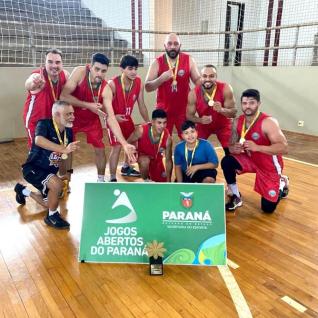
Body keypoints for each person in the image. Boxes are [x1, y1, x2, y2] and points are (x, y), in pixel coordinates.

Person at [60, 53, 136, 182]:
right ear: (90, 67)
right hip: (71, 118)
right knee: (67, 150)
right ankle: (66, 179)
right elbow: (63, 96)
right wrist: (88, 105)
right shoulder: (80, 72)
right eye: (97, 69)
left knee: (100, 149)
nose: (99, 73)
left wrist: (124, 143)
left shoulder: (106, 88)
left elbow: (111, 118)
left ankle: (100, 180)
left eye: (103, 71)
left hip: (91, 120)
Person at [221, 89, 289, 213]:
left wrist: (258, 147)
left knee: (267, 209)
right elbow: (231, 144)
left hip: (269, 165)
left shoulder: (268, 122)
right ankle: (235, 195)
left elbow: (284, 148)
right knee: (227, 161)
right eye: (245, 103)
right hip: (250, 159)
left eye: (251, 103)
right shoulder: (237, 121)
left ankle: (282, 183)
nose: (248, 106)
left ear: (258, 104)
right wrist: (233, 148)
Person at [14, 101, 80, 229]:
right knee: (56, 184)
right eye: (68, 114)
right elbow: (39, 140)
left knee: (48, 203)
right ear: (56, 114)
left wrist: (67, 173)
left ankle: (22, 190)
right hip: (33, 169)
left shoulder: (68, 131)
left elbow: (68, 154)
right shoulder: (44, 124)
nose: (73, 117)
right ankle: (52, 217)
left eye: (73, 113)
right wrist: (63, 149)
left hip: (49, 172)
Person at [145, 33, 200, 138]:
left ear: (180, 45)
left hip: (184, 110)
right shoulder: (157, 62)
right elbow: (147, 87)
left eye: (176, 44)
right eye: (169, 44)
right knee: (162, 141)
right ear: (165, 45)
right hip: (164, 111)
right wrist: (161, 79)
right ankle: (165, 155)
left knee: (188, 139)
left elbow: (197, 80)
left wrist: (207, 82)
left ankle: (187, 155)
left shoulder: (189, 60)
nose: (173, 47)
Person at [107, 55, 150, 182]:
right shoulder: (112, 84)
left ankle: (126, 167)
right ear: (122, 69)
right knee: (117, 147)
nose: (134, 72)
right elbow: (104, 106)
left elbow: (141, 104)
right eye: (130, 68)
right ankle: (113, 178)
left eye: (135, 68)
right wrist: (113, 117)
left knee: (132, 142)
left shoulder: (138, 83)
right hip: (114, 119)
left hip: (127, 119)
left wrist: (148, 122)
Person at [23, 48, 69, 148]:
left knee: (54, 155)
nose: (54, 65)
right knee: (37, 154)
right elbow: (28, 84)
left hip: (54, 121)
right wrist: (34, 83)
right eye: (50, 62)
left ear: (62, 63)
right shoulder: (37, 75)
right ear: (45, 63)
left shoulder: (65, 74)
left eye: (57, 62)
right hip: (36, 122)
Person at [186, 64, 236, 155]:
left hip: (223, 125)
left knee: (232, 153)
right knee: (194, 151)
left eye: (211, 76)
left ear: (216, 77)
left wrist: (222, 110)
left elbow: (233, 113)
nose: (208, 79)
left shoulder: (226, 89)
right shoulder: (193, 93)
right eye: (204, 76)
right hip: (203, 125)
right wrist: (200, 120)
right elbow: (189, 116)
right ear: (200, 77)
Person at [127, 109, 173, 182]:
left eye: (164, 123)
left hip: (157, 161)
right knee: (144, 161)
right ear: (152, 122)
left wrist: (169, 181)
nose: (162, 126)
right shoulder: (141, 130)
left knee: (162, 184)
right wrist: (130, 156)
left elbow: (168, 160)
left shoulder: (168, 138)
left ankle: (148, 177)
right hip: (143, 157)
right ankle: (146, 181)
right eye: (159, 123)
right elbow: (128, 142)